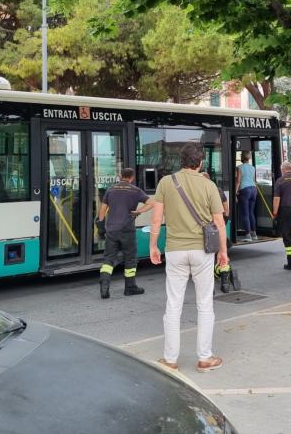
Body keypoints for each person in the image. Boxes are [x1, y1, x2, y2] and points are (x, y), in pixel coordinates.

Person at [150, 143, 229, 373]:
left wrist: (154, 245)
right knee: (204, 303)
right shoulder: (209, 185)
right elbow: (219, 222)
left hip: (175, 249)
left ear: (180, 160)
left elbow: (156, 220)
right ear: (201, 162)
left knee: (173, 305)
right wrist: (223, 252)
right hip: (202, 251)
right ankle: (205, 358)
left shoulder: (166, 182)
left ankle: (170, 359)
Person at [97, 169, 154, 299]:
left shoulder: (110, 190)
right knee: (130, 258)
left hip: (112, 229)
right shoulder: (135, 190)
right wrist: (138, 211)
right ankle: (130, 287)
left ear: (120, 176)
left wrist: (101, 226)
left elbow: (102, 210)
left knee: (108, 259)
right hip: (127, 229)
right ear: (132, 177)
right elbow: (151, 203)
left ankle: (104, 286)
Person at [271, 161, 291, 271]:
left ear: (283, 170)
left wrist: (275, 213)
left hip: (285, 211)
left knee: (287, 237)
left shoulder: (280, 181)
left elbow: (276, 199)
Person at [235, 151, 258, 241]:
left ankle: (248, 235)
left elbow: (238, 181)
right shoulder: (253, 168)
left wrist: (235, 193)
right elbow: (253, 180)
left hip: (245, 190)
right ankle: (254, 234)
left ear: (242, 158)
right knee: (251, 212)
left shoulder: (239, 167)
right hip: (253, 189)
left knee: (245, 213)